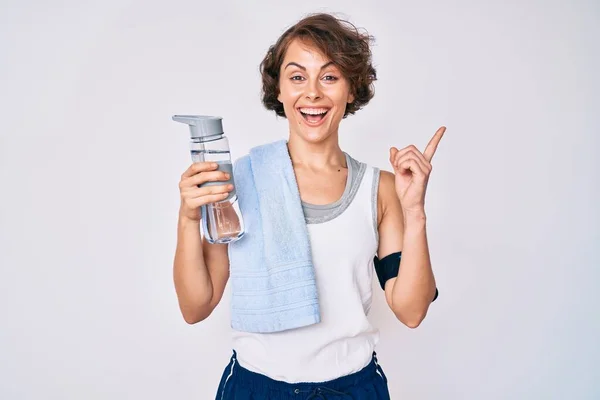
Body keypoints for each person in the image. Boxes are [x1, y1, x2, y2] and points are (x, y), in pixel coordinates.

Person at [174, 12, 444, 399]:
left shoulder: (381, 189)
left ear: (352, 89)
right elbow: (195, 306)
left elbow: (411, 310)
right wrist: (187, 217)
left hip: (353, 388)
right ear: (279, 90)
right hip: (255, 387)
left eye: (330, 77)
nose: (313, 93)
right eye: (297, 77)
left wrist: (415, 211)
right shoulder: (241, 180)